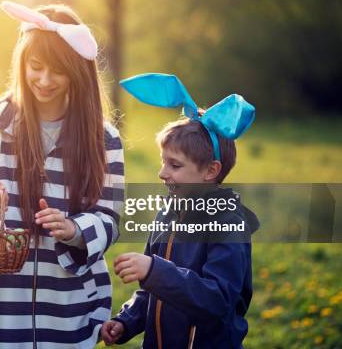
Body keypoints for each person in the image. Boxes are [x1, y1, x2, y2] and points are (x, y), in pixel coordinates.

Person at [0, 1, 124, 348]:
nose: (44, 80)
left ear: (78, 71)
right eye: (35, 67)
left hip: (71, 314)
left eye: (58, 70)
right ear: (21, 63)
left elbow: (110, 218)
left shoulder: (103, 138)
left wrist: (74, 230)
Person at [101, 73, 259, 348]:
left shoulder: (228, 223)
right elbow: (153, 291)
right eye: (163, 162)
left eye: (174, 165)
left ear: (211, 170)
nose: (162, 173)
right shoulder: (167, 214)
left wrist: (154, 270)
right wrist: (127, 320)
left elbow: (218, 299)